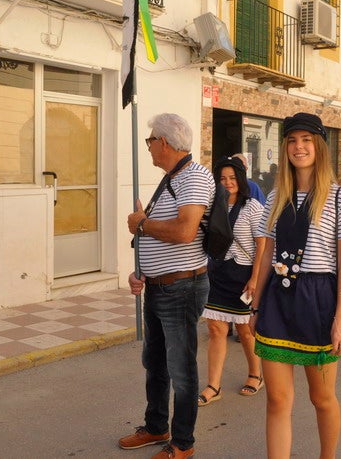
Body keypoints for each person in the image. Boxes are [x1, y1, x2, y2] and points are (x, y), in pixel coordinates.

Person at [249, 112, 341, 458]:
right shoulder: (275, 197)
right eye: (292, 141)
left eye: (306, 140)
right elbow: (266, 256)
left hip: (319, 299)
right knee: (277, 400)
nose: (299, 147)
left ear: (319, 146)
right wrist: (254, 305)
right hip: (278, 300)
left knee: (322, 398)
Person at [121, 113, 214, 459]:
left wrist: (143, 224)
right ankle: (156, 425)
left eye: (150, 142)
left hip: (181, 288)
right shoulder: (173, 178)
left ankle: (183, 443)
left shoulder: (194, 177)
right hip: (159, 286)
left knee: (181, 369)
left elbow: (185, 232)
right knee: (155, 362)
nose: (148, 148)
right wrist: (141, 272)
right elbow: (162, 232)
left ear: (164, 142)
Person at [199, 156, 266, 407]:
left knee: (245, 330)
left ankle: (255, 374)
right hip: (217, 273)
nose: (228, 182)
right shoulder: (213, 206)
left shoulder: (253, 207)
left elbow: (262, 246)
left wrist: (255, 279)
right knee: (216, 329)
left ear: (241, 178)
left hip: (243, 275)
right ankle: (213, 385)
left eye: (232, 177)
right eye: (223, 178)